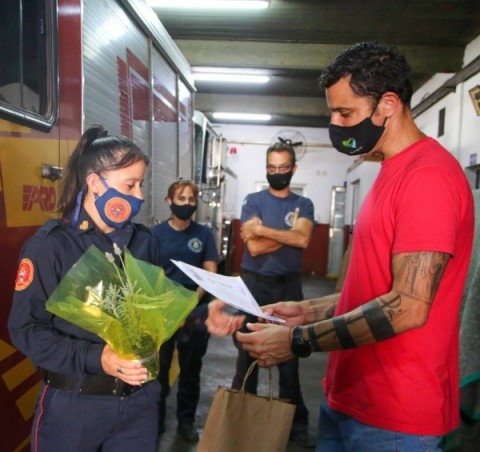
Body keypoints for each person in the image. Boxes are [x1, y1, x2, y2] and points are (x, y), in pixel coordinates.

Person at [236, 41, 475, 451]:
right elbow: (373, 289)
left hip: (395, 416)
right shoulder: (389, 170)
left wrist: (298, 340)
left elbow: (408, 306)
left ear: (387, 104)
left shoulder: (428, 177)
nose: (335, 123)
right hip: (350, 398)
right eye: (333, 111)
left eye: (345, 112)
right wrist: (307, 310)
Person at [8, 125, 161, 451]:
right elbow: (24, 329)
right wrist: (97, 357)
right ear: (95, 182)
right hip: (74, 407)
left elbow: (154, 311)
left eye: (141, 184)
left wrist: (201, 318)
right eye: (130, 185)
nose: (140, 196)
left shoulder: (143, 242)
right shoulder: (51, 247)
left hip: (139, 406)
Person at [232, 140, 316, 448]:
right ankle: (240, 423)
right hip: (254, 286)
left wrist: (264, 230)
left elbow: (305, 240)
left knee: (290, 358)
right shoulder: (253, 200)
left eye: (282, 168)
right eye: (271, 168)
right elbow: (252, 247)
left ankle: (296, 427)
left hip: (289, 288)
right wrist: (290, 235)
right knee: (247, 356)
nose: (276, 173)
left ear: (293, 169)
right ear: (266, 168)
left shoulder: (303, 204)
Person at [151, 179, 219, 443]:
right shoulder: (155, 234)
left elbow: (210, 271)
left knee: (191, 370)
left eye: (191, 200)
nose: (187, 204)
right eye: (182, 199)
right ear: (170, 202)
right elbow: (149, 273)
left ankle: (186, 422)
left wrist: (190, 302)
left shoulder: (203, 234)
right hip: (163, 310)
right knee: (159, 370)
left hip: (195, 308)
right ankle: (155, 421)